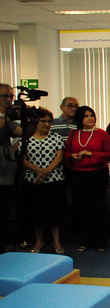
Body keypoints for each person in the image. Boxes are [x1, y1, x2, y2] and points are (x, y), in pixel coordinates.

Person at [64, 106, 110, 252]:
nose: (90, 118)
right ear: (80, 118)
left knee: (97, 206)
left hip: (98, 174)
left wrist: (91, 154)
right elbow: (67, 152)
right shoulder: (73, 134)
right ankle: (85, 240)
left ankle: (100, 240)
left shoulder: (102, 134)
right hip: (78, 174)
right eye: (86, 116)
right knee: (82, 207)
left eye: (92, 115)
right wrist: (72, 156)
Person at [20, 108, 66, 254]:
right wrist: (38, 172)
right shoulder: (27, 139)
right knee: (36, 213)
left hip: (54, 180)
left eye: (49, 121)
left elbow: (59, 157)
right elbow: (22, 159)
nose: (46, 124)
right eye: (43, 121)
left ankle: (56, 241)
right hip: (33, 181)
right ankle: (39, 241)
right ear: (36, 122)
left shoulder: (56, 138)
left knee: (55, 213)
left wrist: (46, 172)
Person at [0, 84, 21, 252]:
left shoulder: (9, 120)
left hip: (6, 172)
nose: (8, 99)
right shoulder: (5, 120)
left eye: (10, 96)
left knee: (6, 211)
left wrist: (31, 120)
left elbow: (22, 133)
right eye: (5, 96)